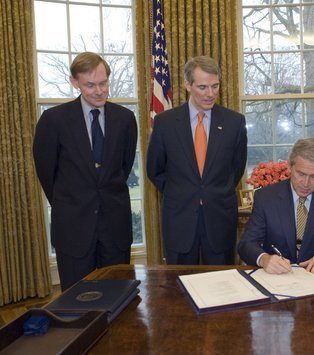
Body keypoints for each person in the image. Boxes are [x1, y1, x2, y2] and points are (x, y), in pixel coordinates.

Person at [33, 52, 138, 290]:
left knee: (117, 297)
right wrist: (73, 201)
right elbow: (47, 174)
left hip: (115, 229)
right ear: (74, 82)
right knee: (77, 302)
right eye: (90, 85)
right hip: (73, 229)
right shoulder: (54, 120)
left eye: (103, 83)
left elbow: (123, 166)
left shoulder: (125, 119)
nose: (99, 91)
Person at [147, 56, 247, 265]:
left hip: (219, 217)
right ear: (187, 85)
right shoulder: (165, 123)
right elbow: (155, 169)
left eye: (215, 86)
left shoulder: (234, 122)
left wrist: (213, 190)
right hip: (179, 218)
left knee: (222, 286)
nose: (210, 93)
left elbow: (236, 169)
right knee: (178, 286)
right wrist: (181, 191)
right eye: (202, 87)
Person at [238, 138, 314, 275]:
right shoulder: (266, 198)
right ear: (289, 167)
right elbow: (246, 243)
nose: (306, 183)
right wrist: (264, 259)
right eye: (301, 174)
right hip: (276, 277)